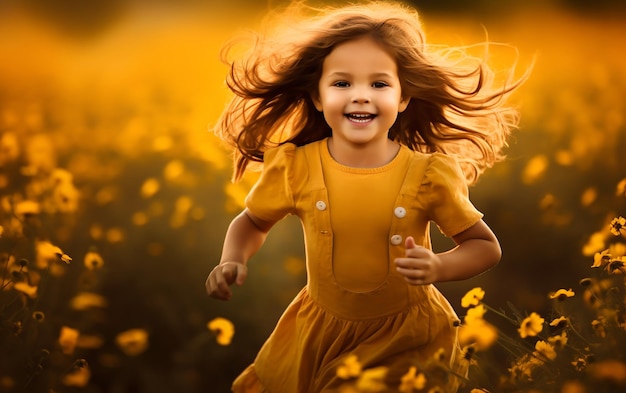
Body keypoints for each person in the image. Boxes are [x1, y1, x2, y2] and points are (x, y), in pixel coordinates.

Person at [206, 1, 529, 392]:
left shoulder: (428, 174)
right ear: (318, 96)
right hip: (320, 329)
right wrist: (232, 258)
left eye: (379, 84)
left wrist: (439, 267)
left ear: (404, 98)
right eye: (342, 83)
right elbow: (252, 222)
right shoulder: (295, 166)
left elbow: (484, 246)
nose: (361, 96)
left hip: (407, 337)